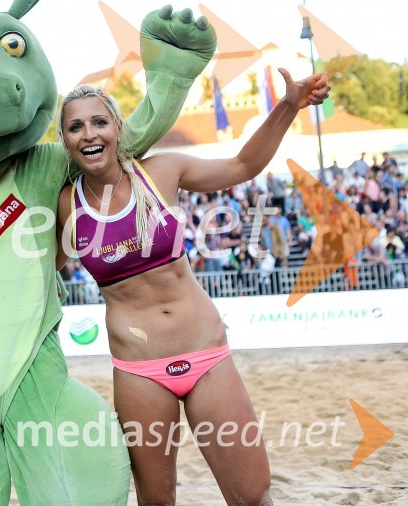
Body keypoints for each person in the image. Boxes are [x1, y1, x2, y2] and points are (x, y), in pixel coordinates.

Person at [56, 68, 329, 505]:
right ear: (66, 141)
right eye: (75, 126)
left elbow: (243, 165)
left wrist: (289, 106)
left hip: (205, 352)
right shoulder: (67, 205)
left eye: (99, 121)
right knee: (157, 503)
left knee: (253, 497)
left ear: (117, 129)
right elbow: (38, 277)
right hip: (139, 370)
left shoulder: (161, 172)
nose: (89, 133)